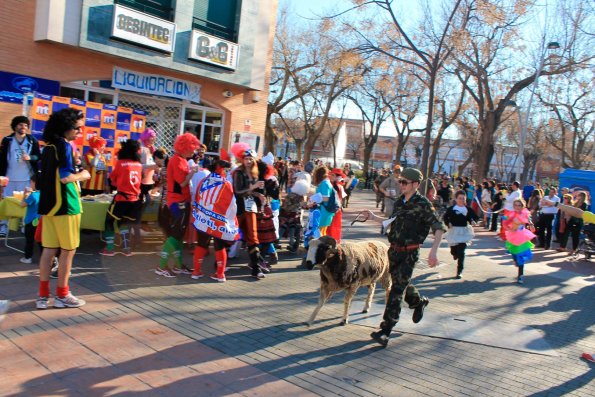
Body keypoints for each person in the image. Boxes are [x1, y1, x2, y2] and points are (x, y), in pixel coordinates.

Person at [364, 168, 446, 347]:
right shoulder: (400, 202)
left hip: (410, 252)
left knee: (396, 290)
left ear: (415, 184)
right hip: (394, 251)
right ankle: (418, 302)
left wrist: (434, 251)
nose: (400, 185)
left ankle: (386, 330)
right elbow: (391, 222)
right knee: (401, 283)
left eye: (404, 182)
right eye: (400, 182)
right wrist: (373, 217)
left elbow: (439, 227)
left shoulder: (423, 204)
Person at [36, 108, 91, 309]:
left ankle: (43, 296)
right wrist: (84, 175)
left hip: (49, 207)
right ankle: (62, 294)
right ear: (66, 128)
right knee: (68, 252)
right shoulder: (64, 146)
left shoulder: (49, 147)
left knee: (49, 250)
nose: (79, 132)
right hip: (67, 207)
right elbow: (65, 177)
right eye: (77, 128)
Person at [155, 133, 201, 277]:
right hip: (178, 203)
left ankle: (177, 265)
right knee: (175, 235)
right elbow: (182, 183)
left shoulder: (179, 160)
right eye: (192, 148)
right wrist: (192, 172)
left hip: (179, 201)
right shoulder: (178, 161)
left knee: (179, 235)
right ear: (185, 147)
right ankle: (161, 266)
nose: (194, 152)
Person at [191, 152, 238, 282]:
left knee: (201, 244)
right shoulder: (226, 184)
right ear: (223, 170)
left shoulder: (203, 181)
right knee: (219, 246)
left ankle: (196, 271)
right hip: (218, 221)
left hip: (203, 219)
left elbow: (197, 197)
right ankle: (220, 274)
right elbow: (231, 205)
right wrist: (230, 220)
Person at [231, 142, 269, 279]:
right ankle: (220, 261)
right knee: (231, 234)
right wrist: (253, 188)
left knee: (253, 237)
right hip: (238, 208)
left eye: (251, 159)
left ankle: (256, 267)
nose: (248, 161)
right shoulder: (238, 173)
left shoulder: (254, 173)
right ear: (242, 159)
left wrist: (258, 195)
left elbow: (250, 193)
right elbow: (238, 191)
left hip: (250, 208)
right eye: (246, 159)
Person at [100, 139, 143, 256]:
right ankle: (126, 249)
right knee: (123, 222)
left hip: (121, 199)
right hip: (134, 200)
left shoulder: (121, 163)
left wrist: (118, 184)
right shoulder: (139, 165)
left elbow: (113, 180)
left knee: (109, 221)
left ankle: (109, 249)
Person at [0, 116, 41, 237]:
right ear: (15, 126)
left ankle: (25, 225)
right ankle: (3, 226)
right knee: (5, 202)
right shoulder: (7, 140)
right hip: (9, 177)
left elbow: (38, 156)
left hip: (26, 178)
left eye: (25, 125)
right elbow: (1, 158)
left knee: (26, 202)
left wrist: (30, 157)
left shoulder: (32, 140)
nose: (23, 127)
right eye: (20, 125)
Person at [443, 190, 478, 279]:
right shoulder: (451, 209)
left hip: (464, 232)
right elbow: (445, 217)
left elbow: (474, 217)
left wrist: (473, 221)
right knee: (454, 251)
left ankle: (459, 271)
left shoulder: (468, 209)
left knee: (461, 252)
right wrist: (448, 223)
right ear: (456, 199)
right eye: (460, 198)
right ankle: (454, 254)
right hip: (454, 231)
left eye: (463, 198)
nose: (461, 200)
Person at [502, 199, 535, 284]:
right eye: (515, 205)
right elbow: (505, 222)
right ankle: (516, 261)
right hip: (512, 236)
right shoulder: (510, 214)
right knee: (514, 253)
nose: (517, 207)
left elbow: (529, 219)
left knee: (520, 256)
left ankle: (520, 275)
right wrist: (506, 223)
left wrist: (531, 225)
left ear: (522, 206)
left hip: (522, 236)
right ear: (513, 206)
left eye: (519, 205)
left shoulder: (525, 213)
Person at [19, 186, 40, 264]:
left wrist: (25, 195)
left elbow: (22, 204)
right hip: (40, 220)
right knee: (41, 241)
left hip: (31, 221)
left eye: (31, 182)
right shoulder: (45, 193)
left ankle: (28, 257)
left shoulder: (33, 195)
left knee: (29, 240)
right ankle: (45, 259)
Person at [313, 166, 335, 236]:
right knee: (322, 232)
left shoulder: (325, 184)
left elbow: (326, 198)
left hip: (324, 211)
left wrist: (314, 198)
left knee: (320, 232)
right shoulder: (325, 183)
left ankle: (320, 246)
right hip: (324, 211)